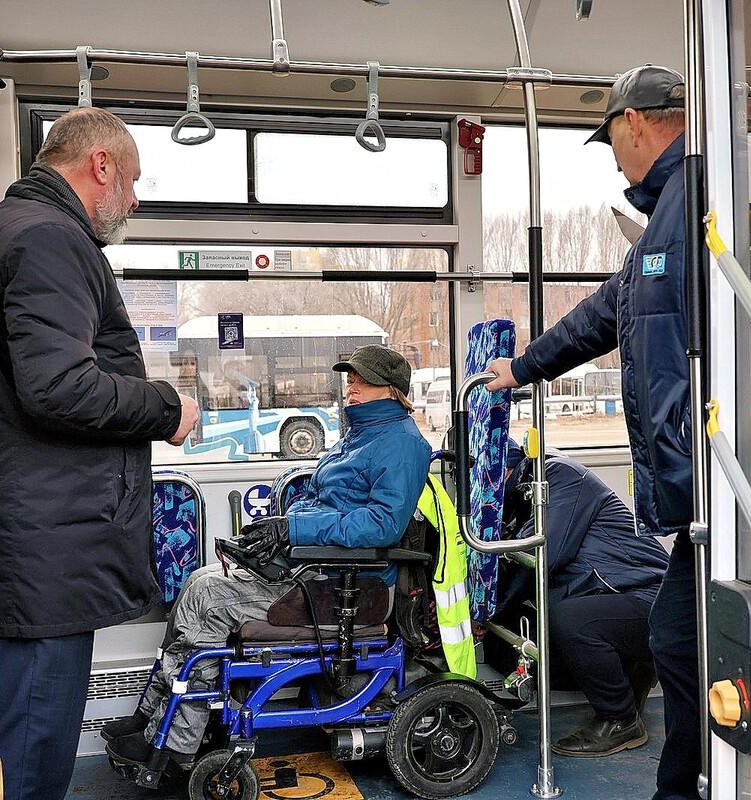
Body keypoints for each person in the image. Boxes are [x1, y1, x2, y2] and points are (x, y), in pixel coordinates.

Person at [485, 65, 702, 799]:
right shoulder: (656, 232)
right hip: (689, 495)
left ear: (635, 122)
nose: (613, 157)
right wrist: (520, 369)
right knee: (681, 643)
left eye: (611, 138)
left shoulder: (700, 202)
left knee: (680, 640)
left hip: (718, 475)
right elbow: (595, 321)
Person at [0, 107, 200, 800]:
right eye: (131, 182)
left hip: (38, 534)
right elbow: (57, 388)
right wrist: (167, 406)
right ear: (99, 165)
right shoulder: (51, 239)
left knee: (19, 735)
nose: (132, 201)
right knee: (36, 747)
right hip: (49, 546)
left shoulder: (10, 229)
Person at [102, 345, 432, 769]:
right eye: (351, 378)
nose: (351, 387)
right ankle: (151, 715)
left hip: (351, 588)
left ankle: (177, 743)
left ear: (391, 391)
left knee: (211, 603)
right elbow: (325, 504)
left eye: (361, 380)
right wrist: (278, 532)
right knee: (198, 581)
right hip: (315, 570)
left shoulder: (402, 445)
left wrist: (293, 530)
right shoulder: (360, 435)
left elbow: (381, 525)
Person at [495, 441, 668, 757]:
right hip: (610, 596)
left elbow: (544, 554)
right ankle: (629, 673)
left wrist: (490, 609)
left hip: (650, 596)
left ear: (505, 468)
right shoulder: (520, 497)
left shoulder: (558, 476)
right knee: (507, 642)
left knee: (570, 619)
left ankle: (621, 719)